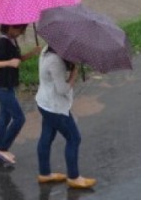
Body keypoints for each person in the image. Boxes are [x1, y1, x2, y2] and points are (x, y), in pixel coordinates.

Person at [35, 46, 96, 188]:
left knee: (47, 137)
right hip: (55, 107)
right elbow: (62, 89)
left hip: (44, 103)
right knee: (74, 138)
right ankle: (74, 177)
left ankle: (44, 173)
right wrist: (74, 73)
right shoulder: (55, 61)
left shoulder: (46, 50)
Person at [0, 24, 41, 164]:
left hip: (8, 86)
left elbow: (17, 60)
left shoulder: (12, 40)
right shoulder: (3, 42)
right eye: (19, 29)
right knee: (19, 118)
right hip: (2, 87)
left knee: (4, 119)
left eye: (22, 30)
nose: (21, 33)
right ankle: (2, 148)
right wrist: (9, 63)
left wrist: (32, 53)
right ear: (10, 27)